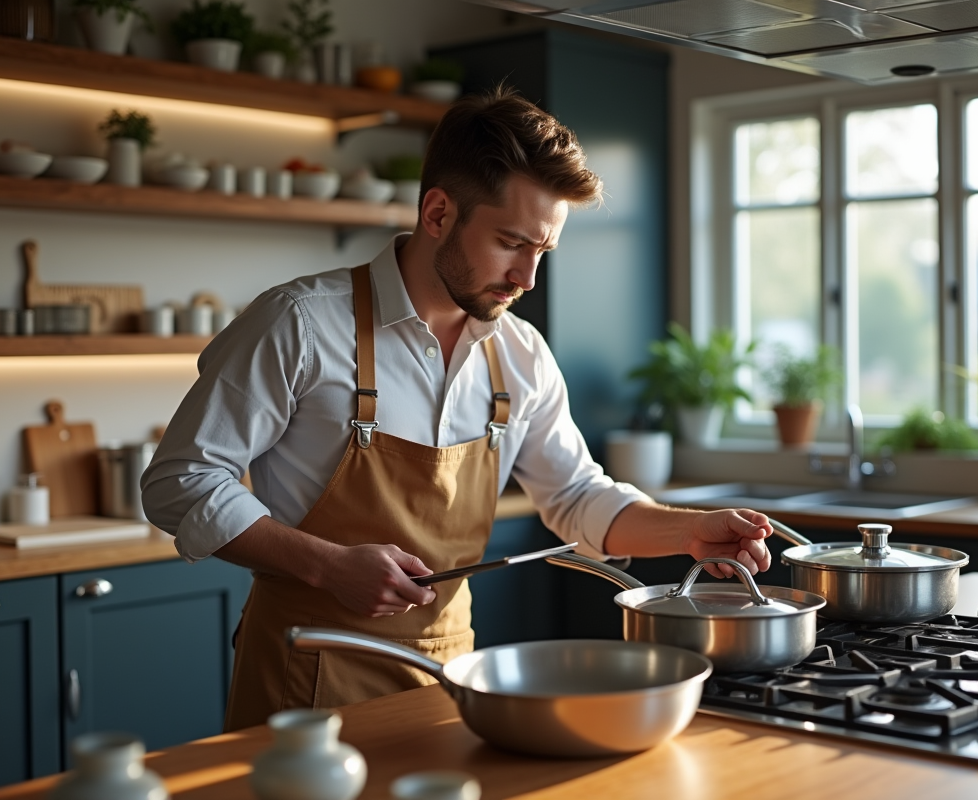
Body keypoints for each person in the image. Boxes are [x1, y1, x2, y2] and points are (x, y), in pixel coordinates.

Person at [141, 86, 774, 732]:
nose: (528, 277)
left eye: (543, 252)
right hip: (305, 680)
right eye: (510, 243)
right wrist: (328, 566)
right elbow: (180, 482)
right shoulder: (300, 323)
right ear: (439, 213)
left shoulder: (520, 353)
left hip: (449, 684)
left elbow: (578, 496)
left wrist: (686, 531)